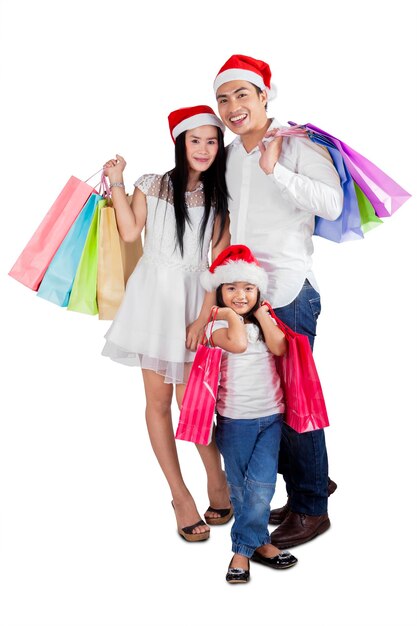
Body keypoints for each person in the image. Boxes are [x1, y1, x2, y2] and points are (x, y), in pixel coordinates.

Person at [213, 54, 344, 548]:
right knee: (270, 403)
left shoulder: (296, 144)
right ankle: (306, 486)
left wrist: (277, 172)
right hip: (248, 296)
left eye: (242, 94)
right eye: (223, 98)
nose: (232, 107)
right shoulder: (228, 155)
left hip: (288, 293)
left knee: (296, 400)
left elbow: (329, 203)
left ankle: (313, 507)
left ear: (265, 95)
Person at [102, 105, 232, 541]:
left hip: (195, 302)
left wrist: (203, 316)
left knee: (193, 404)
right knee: (158, 402)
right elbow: (129, 231)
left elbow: (216, 262)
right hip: (154, 302)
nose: (203, 149)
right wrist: (118, 181)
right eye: (194, 140)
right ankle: (180, 496)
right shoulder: (153, 185)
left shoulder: (220, 197)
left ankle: (217, 480)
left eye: (211, 141)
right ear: (179, 143)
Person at [201, 244, 297, 583]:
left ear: (259, 291)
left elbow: (280, 346)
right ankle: (259, 544)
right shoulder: (216, 328)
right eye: (231, 288)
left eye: (248, 288)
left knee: (262, 486)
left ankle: (242, 550)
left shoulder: (262, 319)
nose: (240, 295)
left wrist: (263, 314)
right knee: (242, 489)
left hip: (270, 417)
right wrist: (226, 314)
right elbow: (238, 344)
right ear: (219, 291)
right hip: (234, 421)